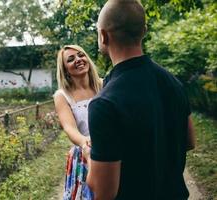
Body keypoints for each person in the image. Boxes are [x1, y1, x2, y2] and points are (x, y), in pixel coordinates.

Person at [85, 0, 196, 200]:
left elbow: (104, 192)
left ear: (103, 35)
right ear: (143, 31)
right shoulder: (173, 82)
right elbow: (189, 141)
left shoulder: (104, 103)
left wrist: (88, 155)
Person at [53, 44, 102, 200]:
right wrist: (86, 143)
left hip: (111, 148)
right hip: (84, 154)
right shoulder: (62, 95)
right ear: (65, 68)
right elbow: (69, 127)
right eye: (71, 59)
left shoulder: (105, 84)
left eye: (81, 55)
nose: (78, 60)